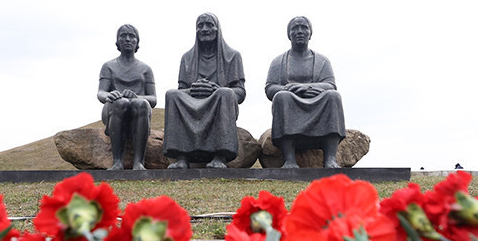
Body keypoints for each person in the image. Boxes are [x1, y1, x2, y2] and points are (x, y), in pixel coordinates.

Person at [164, 13, 245, 169]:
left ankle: (219, 156)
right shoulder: (186, 58)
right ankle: (182, 157)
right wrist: (193, 90)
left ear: (217, 29)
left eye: (209, 25)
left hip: (220, 104)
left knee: (225, 93)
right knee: (172, 94)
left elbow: (240, 93)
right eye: (200, 26)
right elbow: (182, 91)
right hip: (192, 106)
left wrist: (216, 89)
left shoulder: (233, 56)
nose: (205, 29)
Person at [265, 16, 345, 168]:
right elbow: (270, 88)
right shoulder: (278, 62)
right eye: (295, 28)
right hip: (291, 104)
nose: (299, 31)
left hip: (317, 104)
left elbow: (330, 85)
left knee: (333, 96)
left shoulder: (322, 61)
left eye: (304, 27)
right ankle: (289, 159)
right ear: (289, 34)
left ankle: (330, 159)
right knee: (282, 97)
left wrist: (309, 88)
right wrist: (288, 89)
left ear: (310, 33)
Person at [97, 24, 157, 170]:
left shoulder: (145, 69)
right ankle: (117, 161)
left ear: (137, 42)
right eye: (123, 36)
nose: (128, 39)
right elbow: (100, 93)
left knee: (141, 104)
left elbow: (153, 99)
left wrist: (137, 97)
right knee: (120, 103)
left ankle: (138, 162)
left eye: (132, 36)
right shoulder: (108, 66)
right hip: (114, 109)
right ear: (117, 41)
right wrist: (110, 95)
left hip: (139, 111)